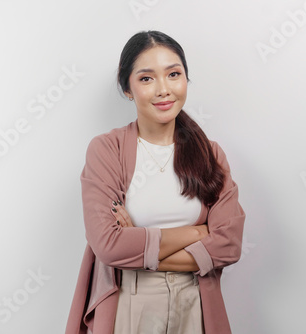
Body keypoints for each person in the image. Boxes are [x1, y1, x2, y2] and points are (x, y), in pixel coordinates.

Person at [65, 30, 246, 334]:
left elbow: (229, 245)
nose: (164, 89)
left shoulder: (210, 154)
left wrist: (138, 239)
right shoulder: (108, 150)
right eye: (147, 79)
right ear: (127, 88)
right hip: (130, 303)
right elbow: (108, 246)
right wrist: (197, 233)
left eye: (173, 74)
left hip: (196, 302)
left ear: (186, 79)